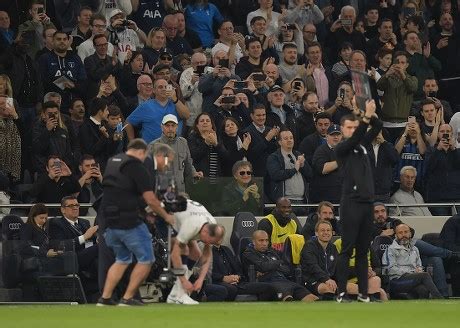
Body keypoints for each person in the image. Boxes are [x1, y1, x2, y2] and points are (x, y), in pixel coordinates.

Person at [97, 138, 175, 306]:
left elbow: (126, 189)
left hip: (110, 217)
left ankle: (105, 297)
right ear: (161, 155)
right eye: (169, 161)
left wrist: (147, 212)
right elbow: (149, 198)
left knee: (121, 259)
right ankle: (128, 298)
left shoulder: (114, 161)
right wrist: (166, 215)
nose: (168, 166)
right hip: (128, 219)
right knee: (147, 258)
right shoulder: (142, 164)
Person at [334, 100, 383, 303]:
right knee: (347, 249)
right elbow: (356, 138)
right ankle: (342, 293)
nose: (353, 130)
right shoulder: (342, 148)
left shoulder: (362, 145)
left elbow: (378, 126)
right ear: (342, 130)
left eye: (355, 127)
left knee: (363, 251)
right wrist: (363, 117)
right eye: (349, 127)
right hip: (351, 203)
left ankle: (364, 293)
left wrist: (366, 112)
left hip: (367, 203)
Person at [167, 198, 226, 305]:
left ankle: (175, 295)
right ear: (205, 231)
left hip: (184, 217)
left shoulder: (212, 223)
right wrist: (184, 282)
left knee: (196, 254)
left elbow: (207, 256)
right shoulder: (192, 225)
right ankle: (179, 295)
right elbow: (175, 255)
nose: (207, 243)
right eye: (208, 240)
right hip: (166, 214)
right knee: (184, 250)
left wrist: (200, 279)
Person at [242, 230, 318, 302]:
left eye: (266, 240)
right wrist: (277, 264)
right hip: (268, 283)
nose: (264, 243)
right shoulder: (248, 253)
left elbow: (287, 269)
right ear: (253, 242)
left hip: (284, 280)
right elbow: (263, 267)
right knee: (288, 299)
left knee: (312, 298)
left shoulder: (271, 252)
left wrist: (272, 266)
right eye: (261, 240)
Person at [383, 223, 443, 299]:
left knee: (423, 289)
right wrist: (412, 272)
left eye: (406, 232)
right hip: (396, 281)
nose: (403, 235)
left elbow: (419, 266)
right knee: (425, 275)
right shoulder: (391, 250)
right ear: (396, 235)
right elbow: (390, 270)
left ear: (410, 234)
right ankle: (439, 298)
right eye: (400, 233)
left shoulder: (415, 249)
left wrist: (419, 270)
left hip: (412, 279)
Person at [49, 196, 99, 285]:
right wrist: (84, 237)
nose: (75, 207)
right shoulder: (56, 223)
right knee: (100, 248)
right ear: (63, 210)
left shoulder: (84, 222)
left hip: (89, 255)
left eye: (77, 205)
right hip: (72, 257)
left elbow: (92, 242)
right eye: (71, 205)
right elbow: (60, 245)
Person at [149, 114, 202, 193]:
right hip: (161, 191)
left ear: (177, 127)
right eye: (167, 126)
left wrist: (194, 173)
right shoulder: (153, 146)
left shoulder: (183, 142)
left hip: (180, 190)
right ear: (162, 127)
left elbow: (188, 163)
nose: (170, 129)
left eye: (173, 125)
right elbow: (148, 170)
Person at [125, 78, 189, 143]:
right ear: (154, 90)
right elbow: (128, 122)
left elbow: (186, 116)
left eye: (166, 87)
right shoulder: (146, 106)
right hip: (151, 149)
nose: (164, 89)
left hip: (172, 148)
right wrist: (132, 142)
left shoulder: (175, 103)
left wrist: (175, 99)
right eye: (160, 87)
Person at [212, 240, 277, 301]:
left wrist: (237, 277)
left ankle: (260, 311)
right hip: (219, 283)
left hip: (238, 283)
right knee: (231, 289)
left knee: (269, 288)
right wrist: (223, 278)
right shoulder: (207, 251)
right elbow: (207, 273)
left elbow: (238, 268)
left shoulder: (226, 250)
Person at [266, 129, 312, 205]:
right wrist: (294, 170)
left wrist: (303, 165)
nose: (289, 140)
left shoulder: (298, 154)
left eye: (291, 138)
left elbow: (310, 175)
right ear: (280, 142)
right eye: (286, 138)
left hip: (302, 200)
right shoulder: (274, 157)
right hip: (285, 201)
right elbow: (276, 175)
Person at [300, 220, 338, 298]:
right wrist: (326, 279)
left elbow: (338, 267)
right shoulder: (309, 246)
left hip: (329, 280)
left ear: (332, 232)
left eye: (328, 230)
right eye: (322, 230)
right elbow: (313, 267)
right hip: (311, 281)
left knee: (352, 287)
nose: (326, 233)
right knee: (329, 289)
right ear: (316, 233)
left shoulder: (332, 247)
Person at [310, 124, 343, 204]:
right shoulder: (321, 150)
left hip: (342, 196)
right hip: (325, 198)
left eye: (338, 135)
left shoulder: (344, 150)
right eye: (332, 135)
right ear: (327, 136)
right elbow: (323, 169)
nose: (335, 137)